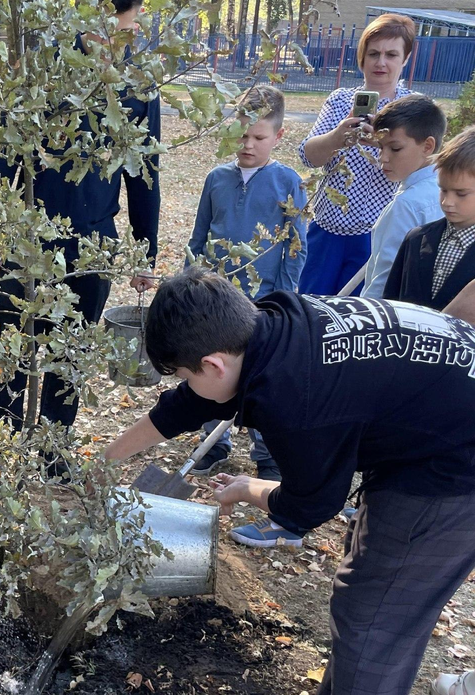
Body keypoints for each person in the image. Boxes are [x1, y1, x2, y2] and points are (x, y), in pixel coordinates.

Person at [104, 268, 475, 695]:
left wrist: (247, 488)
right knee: (366, 597)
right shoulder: (270, 323)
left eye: (187, 375)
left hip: (453, 469)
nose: (188, 386)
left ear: (212, 363)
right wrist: (107, 460)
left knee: (375, 618)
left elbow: (310, 506)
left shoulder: (296, 402)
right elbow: (187, 403)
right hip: (436, 419)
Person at [0, 0, 160, 469]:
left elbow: (144, 173)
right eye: (100, 33)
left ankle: (52, 452)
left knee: (71, 352)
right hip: (29, 236)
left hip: (94, 242)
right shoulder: (42, 69)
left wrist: (144, 250)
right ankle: (0, 448)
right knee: (15, 343)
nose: (109, 46)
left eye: (121, 34)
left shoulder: (139, 84)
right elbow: (4, 155)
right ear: (84, 16)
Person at [185, 84, 308, 494]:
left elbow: (295, 247)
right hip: (216, 302)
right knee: (209, 368)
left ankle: (266, 454)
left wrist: (283, 299)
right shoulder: (216, 179)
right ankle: (213, 444)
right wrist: (193, 287)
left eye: (258, 137)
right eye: (241, 135)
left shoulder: (289, 182)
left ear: (278, 136)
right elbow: (199, 239)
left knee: (261, 376)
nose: (248, 145)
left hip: (260, 303)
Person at [298, 13, 416, 296]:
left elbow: (421, 167)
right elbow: (308, 156)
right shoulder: (339, 100)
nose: (381, 62)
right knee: (313, 310)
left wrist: (383, 142)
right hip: (326, 231)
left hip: (377, 236)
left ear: (406, 59)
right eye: (373, 53)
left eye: (391, 54)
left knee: (358, 319)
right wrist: (338, 136)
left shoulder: (412, 108)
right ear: (362, 56)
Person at [361, 95, 447, 297]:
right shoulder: (449, 188)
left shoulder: (407, 205)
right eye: (381, 147)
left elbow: (385, 279)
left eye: (395, 148)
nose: (383, 158)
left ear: (428, 146)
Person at [384, 126, 475, 310]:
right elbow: (391, 302)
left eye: (461, 193)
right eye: (443, 190)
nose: (448, 202)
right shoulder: (416, 238)